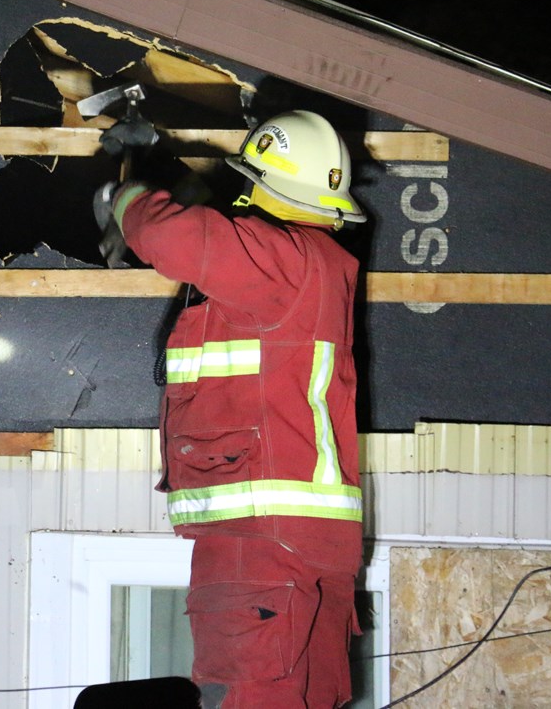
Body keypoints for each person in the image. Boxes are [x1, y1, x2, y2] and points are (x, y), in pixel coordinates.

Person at [94, 109, 367, 709]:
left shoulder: (278, 262)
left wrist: (126, 194)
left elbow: (172, 236)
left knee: (247, 695)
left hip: (258, 541)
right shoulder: (313, 266)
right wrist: (161, 167)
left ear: (259, 183)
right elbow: (213, 231)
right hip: (310, 541)